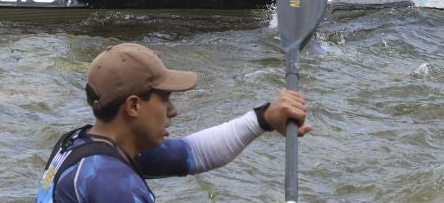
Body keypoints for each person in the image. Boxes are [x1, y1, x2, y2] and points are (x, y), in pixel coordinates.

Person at [39, 42, 309, 203]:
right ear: (133, 106)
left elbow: (194, 153)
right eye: (165, 99)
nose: (173, 110)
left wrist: (263, 118)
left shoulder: (80, 144)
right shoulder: (112, 183)